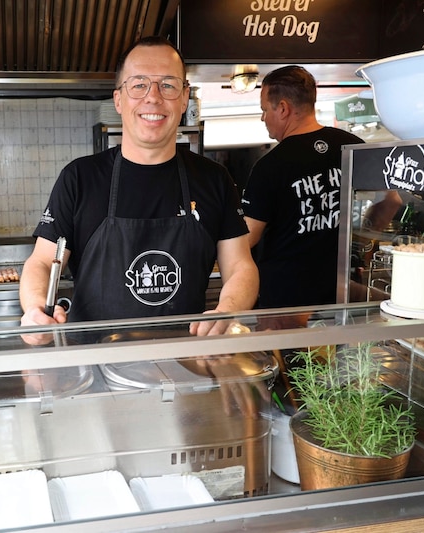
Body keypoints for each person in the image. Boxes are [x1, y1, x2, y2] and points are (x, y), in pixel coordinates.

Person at [19, 36, 258, 337]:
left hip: (186, 367)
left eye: (168, 85)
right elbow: (42, 261)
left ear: (185, 98)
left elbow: (240, 267)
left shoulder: (214, 179)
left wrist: (229, 309)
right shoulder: (80, 178)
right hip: (97, 370)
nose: (153, 97)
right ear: (119, 99)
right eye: (139, 84)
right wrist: (35, 308)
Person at [241, 65, 364, 310]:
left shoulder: (270, 166)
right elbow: (392, 201)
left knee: (292, 351)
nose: (263, 118)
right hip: (344, 291)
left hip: (288, 301)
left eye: (264, 110)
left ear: (283, 108)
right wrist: (356, 240)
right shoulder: (354, 146)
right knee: (346, 350)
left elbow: (246, 238)